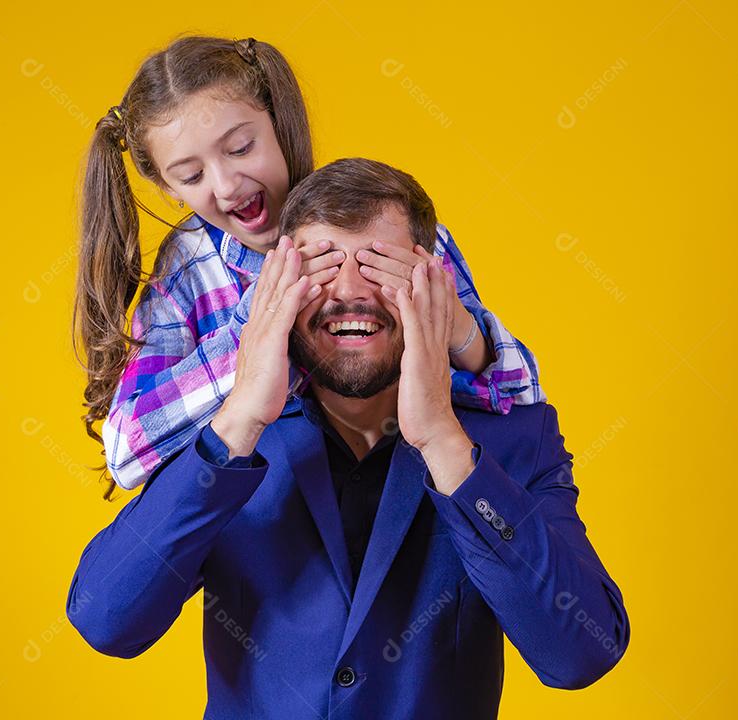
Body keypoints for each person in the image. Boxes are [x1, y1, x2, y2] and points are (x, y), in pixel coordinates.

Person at [67, 159, 629, 719]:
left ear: (434, 284)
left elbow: (581, 653)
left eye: (380, 267)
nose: (350, 292)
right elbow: (105, 618)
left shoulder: (513, 436)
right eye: (321, 268)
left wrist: (444, 443)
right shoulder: (224, 438)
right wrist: (239, 419)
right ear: (275, 292)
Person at [75, 36, 544, 498]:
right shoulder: (187, 272)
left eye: (240, 148)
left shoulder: (392, 227)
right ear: (168, 188)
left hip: (411, 507)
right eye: (192, 176)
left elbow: (523, 397)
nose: (226, 184)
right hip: (275, 535)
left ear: (280, 123)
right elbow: (126, 451)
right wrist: (257, 334)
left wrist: (455, 327)